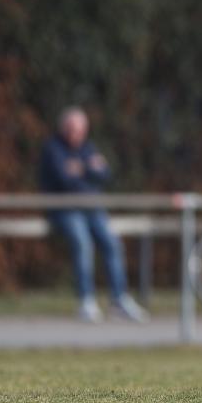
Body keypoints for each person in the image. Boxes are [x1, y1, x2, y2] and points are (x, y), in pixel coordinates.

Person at [39, 106, 149, 323]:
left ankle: (119, 299)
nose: (76, 134)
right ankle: (86, 301)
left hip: (91, 209)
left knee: (112, 243)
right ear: (63, 129)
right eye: (71, 129)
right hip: (65, 210)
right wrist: (89, 169)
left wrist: (81, 169)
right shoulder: (53, 148)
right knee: (83, 243)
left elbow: (105, 174)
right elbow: (64, 178)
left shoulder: (88, 147)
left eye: (80, 130)